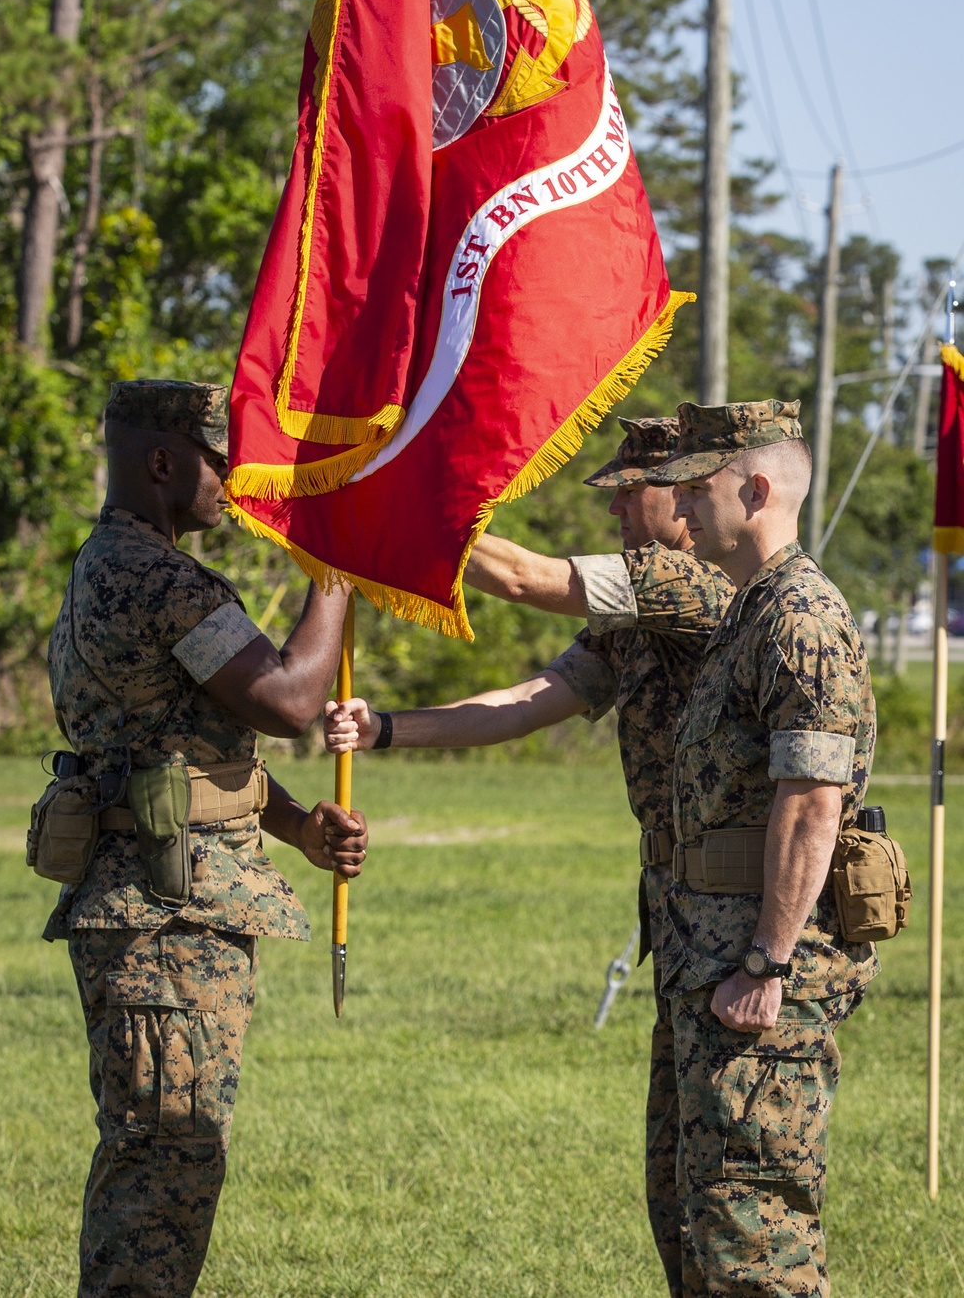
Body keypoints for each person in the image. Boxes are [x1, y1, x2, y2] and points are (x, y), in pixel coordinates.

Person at [325, 416, 732, 1297]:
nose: (618, 508)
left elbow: (523, 576)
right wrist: (388, 728)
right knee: (677, 1190)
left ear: (688, 500)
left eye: (635, 492)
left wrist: (402, 493)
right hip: (683, 914)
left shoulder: (685, 579)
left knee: (732, 1197)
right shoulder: (636, 614)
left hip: (736, 915)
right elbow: (526, 701)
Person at [44, 379, 368, 1298]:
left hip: (158, 894)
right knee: (163, 1170)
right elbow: (292, 700)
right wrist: (335, 567)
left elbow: (175, 757)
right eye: (223, 462)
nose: (237, 481)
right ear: (163, 462)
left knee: (163, 1161)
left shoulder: (102, 564)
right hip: (164, 920)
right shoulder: (153, 574)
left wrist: (297, 825)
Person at [647, 399, 878, 1297]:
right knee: (701, 1219)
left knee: (753, 1236)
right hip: (711, 961)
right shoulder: (751, 609)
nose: (683, 509)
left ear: (755, 488)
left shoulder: (801, 617)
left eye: (696, 490)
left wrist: (767, 959)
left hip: (756, 971)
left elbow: (814, 800)